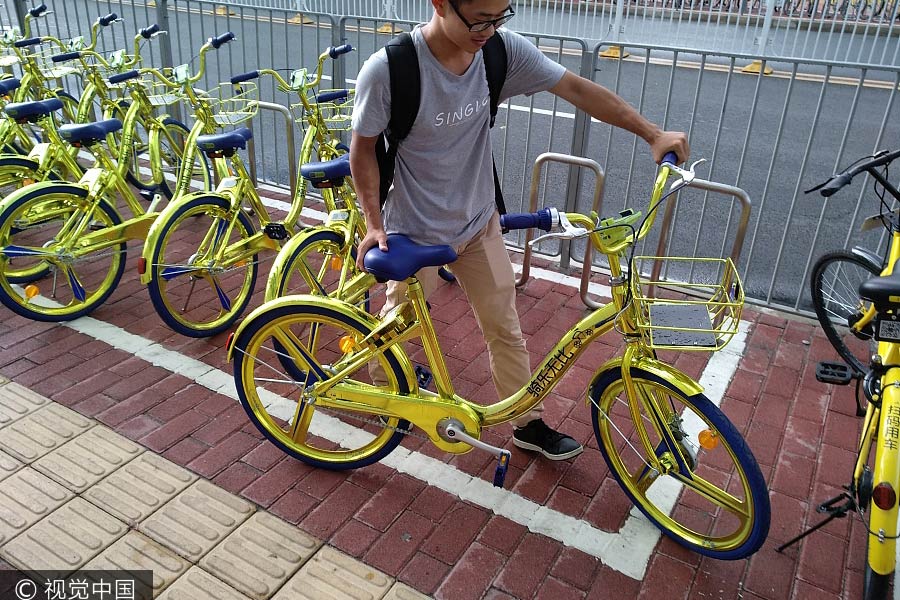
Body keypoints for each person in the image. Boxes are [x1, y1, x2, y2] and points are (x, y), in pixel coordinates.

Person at [350, 0, 690, 461]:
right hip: (414, 231)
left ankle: (527, 423)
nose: (488, 30)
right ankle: (386, 395)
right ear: (439, 4)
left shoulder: (498, 52)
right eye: (478, 19)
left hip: (478, 223)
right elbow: (363, 150)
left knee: (505, 329)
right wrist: (373, 223)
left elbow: (576, 88)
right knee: (399, 327)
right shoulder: (391, 70)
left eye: (500, 16)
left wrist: (652, 134)